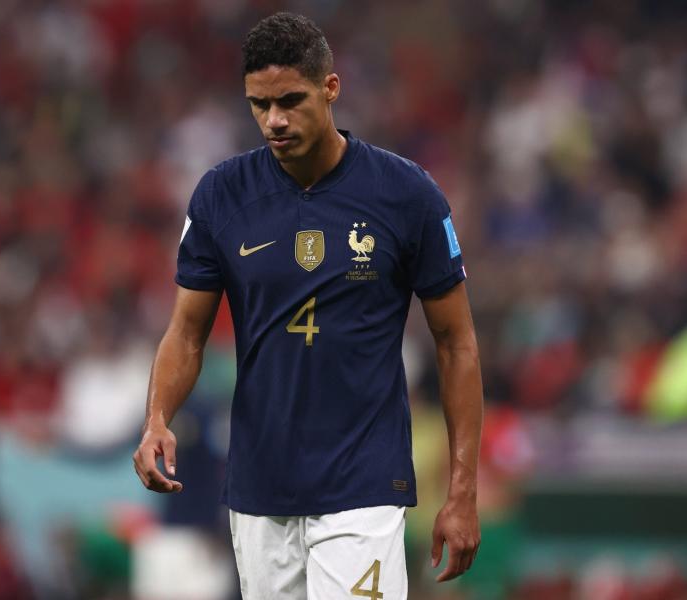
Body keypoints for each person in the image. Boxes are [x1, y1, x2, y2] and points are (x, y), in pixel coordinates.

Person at [133, 12, 484, 599]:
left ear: (331, 88)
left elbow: (457, 344)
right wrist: (156, 418)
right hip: (259, 486)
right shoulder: (222, 196)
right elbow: (186, 334)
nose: (274, 120)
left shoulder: (407, 196)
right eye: (258, 104)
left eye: (291, 100)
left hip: (363, 484)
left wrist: (463, 489)